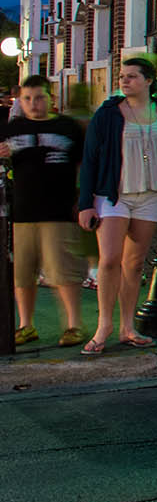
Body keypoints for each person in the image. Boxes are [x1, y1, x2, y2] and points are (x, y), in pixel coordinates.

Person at [75, 56, 157, 353]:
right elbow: (91, 159)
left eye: (132, 76)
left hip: (149, 195)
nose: (124, 81)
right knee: (109, 260)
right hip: (114, 195)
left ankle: (127, 326)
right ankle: (103, 327)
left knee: (134, 264)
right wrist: (85, 203)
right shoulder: (109, 114)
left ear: (149, 81)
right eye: (122, 76)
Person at [1, 76, 86, 348]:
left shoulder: (67, 127)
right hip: (22, 211)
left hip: (59, 210)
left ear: (51, 98)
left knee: (63, 271)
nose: (33, 104)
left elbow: (82, 165)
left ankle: (73, 324)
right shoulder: (13, 128)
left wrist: (82, 199)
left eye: (39, 97)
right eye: (27, 98)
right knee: (23, 273)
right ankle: (26, 324)